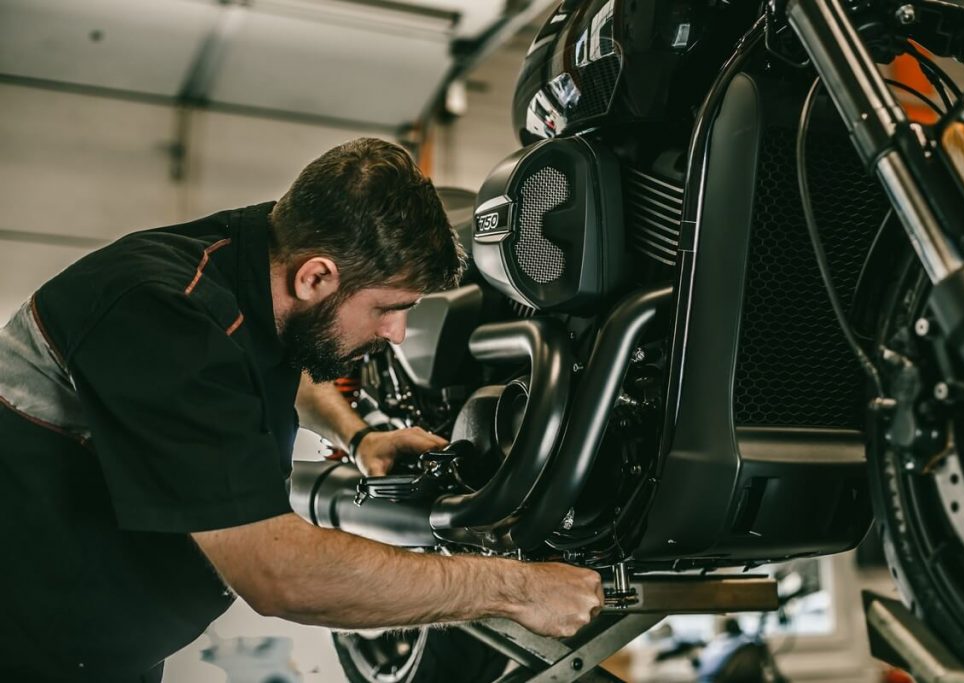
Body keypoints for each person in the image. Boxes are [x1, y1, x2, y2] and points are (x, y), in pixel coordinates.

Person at [0, 138, 604, 681]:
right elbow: (276, 572)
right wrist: (514, 589)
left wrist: (360, 437)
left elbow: (263, 371)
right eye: (388, 307)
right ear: (316, 276)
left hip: (104, 653)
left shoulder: (253, 264)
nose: (396, 332)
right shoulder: (159, 312)